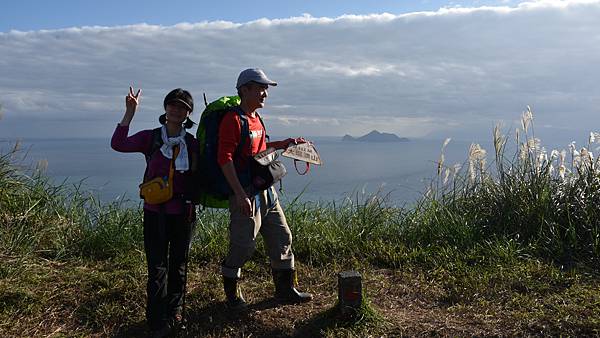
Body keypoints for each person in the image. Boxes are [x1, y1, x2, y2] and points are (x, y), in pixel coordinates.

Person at [217, 68, 313, 310]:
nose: (265, 93)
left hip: (267, 191)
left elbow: (258, 150)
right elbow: (224, 158)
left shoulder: (256, 119)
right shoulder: (233, 119)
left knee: (282, 237)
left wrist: (284, 144)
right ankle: (232, 295)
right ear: (244, 89)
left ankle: (285, 290)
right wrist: (239, 194)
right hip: (246, 192)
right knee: (243, 244)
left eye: (266, 88)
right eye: (261, 88)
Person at [111, 87, 198, 336]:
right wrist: (129, 113)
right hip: (154, 212)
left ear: (187, 113)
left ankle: (175, 313)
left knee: (179, 265)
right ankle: (157, 319)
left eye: (181, 106)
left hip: (183, 212)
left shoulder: (192, 144)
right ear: (165, 108)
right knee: (157, 267)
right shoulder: (151, 138)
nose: (175, 109)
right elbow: (118, 144)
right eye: (171, 104)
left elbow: (199, 176)